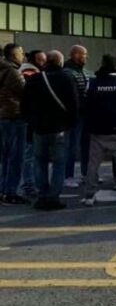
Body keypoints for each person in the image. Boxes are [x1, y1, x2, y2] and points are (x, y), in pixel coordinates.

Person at [22, 51, 79, 211]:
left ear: (47, 61)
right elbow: (74, 104)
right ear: (60, 62)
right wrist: (70, 124)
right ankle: (53, 197)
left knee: (39, 162)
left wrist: (31, 122)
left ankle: (42, 195)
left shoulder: (35, 79)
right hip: (59, 128)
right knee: (59, 163)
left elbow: (24, 105)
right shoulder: (67, 78)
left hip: (39, 128)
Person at [80, 55, 116, 206]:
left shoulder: (92, 83)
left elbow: (86, 106)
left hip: (97, 130)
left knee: (93, 164)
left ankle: (89, 196)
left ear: (101, 64)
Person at [0, 44, 27, 205]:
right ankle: (11, 192)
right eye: (20, 53)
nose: (22, 56)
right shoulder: (13, 72)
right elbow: (26, 92)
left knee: (5, 157)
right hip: (15, 116)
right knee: (16, 157)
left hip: (3, 116)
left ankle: (3, 190)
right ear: (13, 55)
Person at [17, 51, 45, 200]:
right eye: (41, 59)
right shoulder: (30, 72)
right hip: (30, 119)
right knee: (30, 155)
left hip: (26, 117)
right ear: (35, 59)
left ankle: (28, 184)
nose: (44, 61)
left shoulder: (25, 70)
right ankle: (28, 186)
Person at [63, 45, 90, 187]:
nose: (86, 57)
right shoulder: (68, 72)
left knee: (83, 145)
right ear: (75, 55)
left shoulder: (83, 71)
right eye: (84, 54)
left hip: (83, 114)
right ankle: (68, 175)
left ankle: (85, 173)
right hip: (73, 116)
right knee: (71, 146)